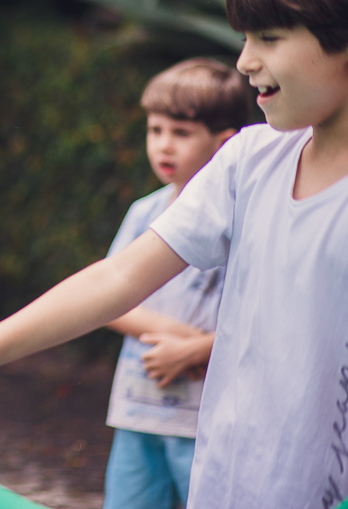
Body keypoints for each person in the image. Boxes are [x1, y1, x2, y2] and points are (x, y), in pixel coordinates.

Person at [0, 0, 348, 508]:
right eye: (244, 38)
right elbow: (118, 278)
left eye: (269, 38)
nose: (244, 62)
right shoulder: (250, 159)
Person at [100, 59, 248, 509]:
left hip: (206, 421)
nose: (164, 146)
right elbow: (109, 298)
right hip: (137, 408)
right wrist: (180, 337)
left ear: (225, 143)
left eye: (181, 134)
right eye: (155, 130)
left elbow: (263, 318)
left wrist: (196, 349)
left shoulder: (245, 219)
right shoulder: (144, 212)